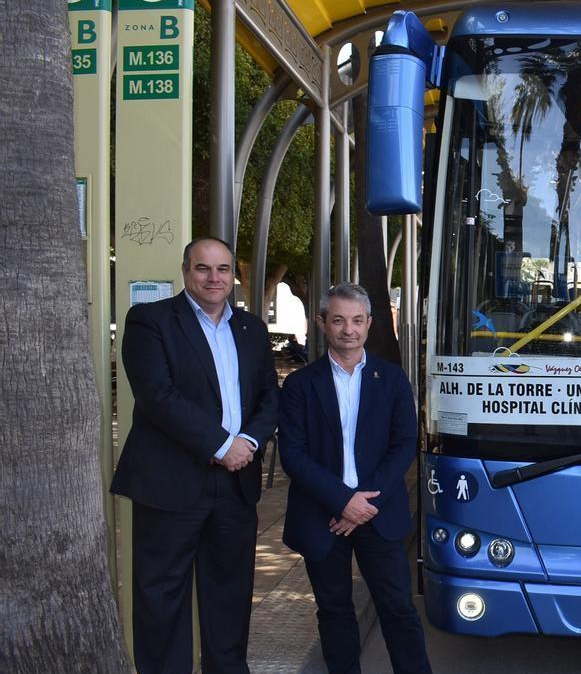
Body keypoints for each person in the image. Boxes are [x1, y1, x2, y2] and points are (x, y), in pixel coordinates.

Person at [110, 237, 279, 673]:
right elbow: (157, 396)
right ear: (186, 271)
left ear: (232, 276)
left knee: (229, 596)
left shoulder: (252, 329)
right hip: (170, 484)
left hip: (235, 486)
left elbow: (268, 398)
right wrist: (223, 445)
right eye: (203, 269)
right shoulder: (150, 321)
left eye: (223, 269)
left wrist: (249, 445)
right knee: (161, 600)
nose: (214, 278)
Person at [278, 283, 431, 674]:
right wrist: (343, 501)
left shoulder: (393, 379)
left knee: (397, 607)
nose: (349, 329)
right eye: (339, 320)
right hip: (322, 514)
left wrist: (364, 504)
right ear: (322, 324)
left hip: (378, 514)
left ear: (369, 324)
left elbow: (404, 445)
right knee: (333, 611)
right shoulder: (299, 385)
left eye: (357, 320)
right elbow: (293, 454)